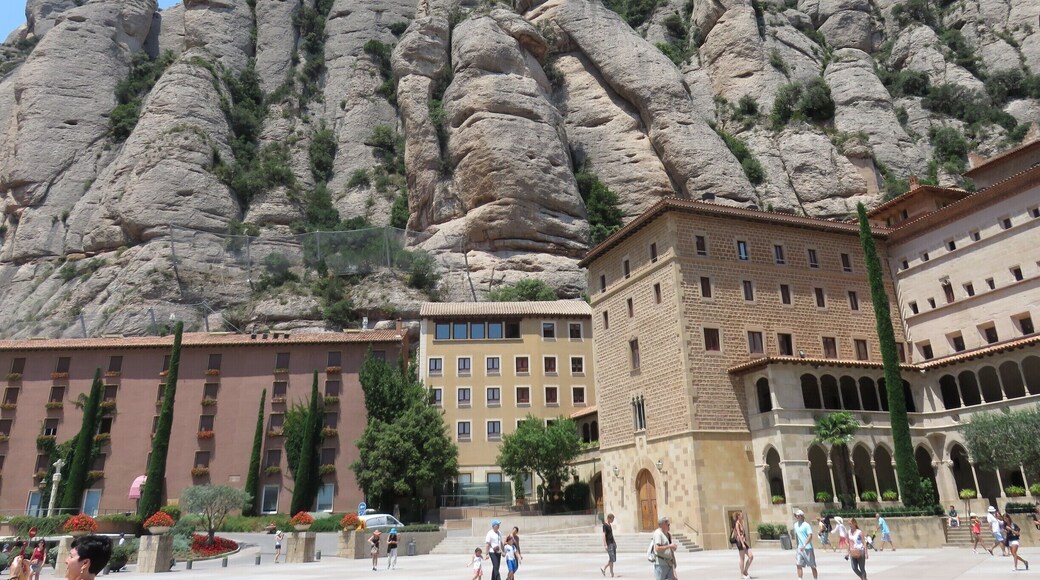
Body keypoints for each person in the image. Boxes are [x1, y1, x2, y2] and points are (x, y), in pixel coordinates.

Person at [793, 510, 818, 580]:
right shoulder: (795, 525)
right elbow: (797, 536)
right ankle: (800, 578)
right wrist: (798, 545)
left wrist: (805, 544)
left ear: (802, 516)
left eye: (798, 516)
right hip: (799, 548)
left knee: (812, 566)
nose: (796, 517)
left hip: (807, 548)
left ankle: (815, 578)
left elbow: (810, 536)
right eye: (796, 516)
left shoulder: (806, 525)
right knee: (798, 564)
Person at [651, 516, 677, 580]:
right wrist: (670, 546)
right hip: (661, 564)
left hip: (669, 563)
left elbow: (670, 550)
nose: (669, 526)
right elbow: (657, 548)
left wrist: (674, 560)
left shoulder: (667, 534)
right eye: (667, 524)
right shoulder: (658, 534)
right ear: (663, 524)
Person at [732, 511, 752, 580]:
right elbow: (738, 534)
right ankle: (742, 574)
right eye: (741, 515)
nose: (742, 516)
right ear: (738, 516)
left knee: (751, 556)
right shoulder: (737, 524)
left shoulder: (741, 523)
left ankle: (745, 571)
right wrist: (743, 544)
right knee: (742, 558)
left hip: (743, 542)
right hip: (740, 543)